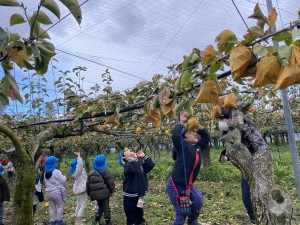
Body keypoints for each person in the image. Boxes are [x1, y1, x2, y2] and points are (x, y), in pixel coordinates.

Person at [217, 107, 268, 224]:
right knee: (247, 197)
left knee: (259, 195)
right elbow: (236, 148)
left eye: (223, 118)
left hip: (258, 165)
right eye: (219, 119)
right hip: (246, 168)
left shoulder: (247, 128)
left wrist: (259, 165)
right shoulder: (230, 132)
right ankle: (254, 219)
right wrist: (226, 156)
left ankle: (264, 218)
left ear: (232, 117)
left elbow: (259, 147)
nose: (221, 122)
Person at [166, 111, 210, 225]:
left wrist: (198, 126)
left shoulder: (198, 147)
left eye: (195, 132)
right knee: (181, 214)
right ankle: (186, 216)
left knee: (199, 200)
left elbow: (206, 137)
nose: (195, 134)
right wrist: (181, 122)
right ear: (184, 138)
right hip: (175, 184)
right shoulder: (182, 147)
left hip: (188, 184)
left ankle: (192, 220)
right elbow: (176, 137)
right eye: (190, 133)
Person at [121, 149, 155, 225]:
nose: (131, 150)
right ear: (125, 157)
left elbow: (151, 165)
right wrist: (133, 160)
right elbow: (132, 170)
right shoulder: (127, 165)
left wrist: (144, 156)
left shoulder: (139, 164)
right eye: (128, 151)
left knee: (139, 209)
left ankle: (141, 222)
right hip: (130, 195)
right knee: (130, 212)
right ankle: (132, 222)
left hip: (141, 194)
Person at [86, 154, 115, 225]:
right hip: (105, 194)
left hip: (96, 195)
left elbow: (88, 185)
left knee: (100, 207)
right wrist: (112, 191)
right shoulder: (106, 172)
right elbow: (110, 183)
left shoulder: (91, 173)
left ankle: (97, 220)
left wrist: (89, 193)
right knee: (106, 208)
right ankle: (108, 221)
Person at [44, 156, 67, 225]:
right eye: (56, 162)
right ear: (53, 163)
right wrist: (64, 177)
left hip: (48, 193)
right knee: (60, 205)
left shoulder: (45, 173)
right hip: (56, 192)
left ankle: (53, 221)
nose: (57, 163)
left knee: (52, 207)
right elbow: (63, 181)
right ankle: (59, 221)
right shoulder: (56, 171)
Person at [70, 152, 88, 225]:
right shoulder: (78, 172)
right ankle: (78, 219)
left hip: (78, 189)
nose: (82, 165)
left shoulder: (77, 172)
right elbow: (80, 166)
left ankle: (77, 215)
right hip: (81, 190)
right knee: (83, 204)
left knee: (79, 204)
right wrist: (79, 157)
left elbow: (81, 167)